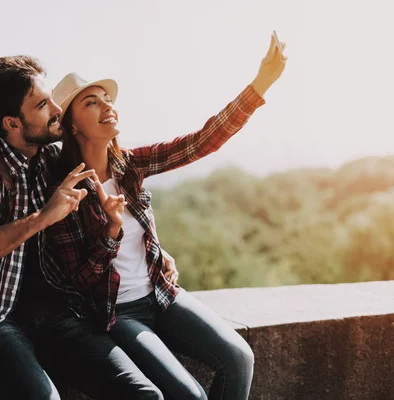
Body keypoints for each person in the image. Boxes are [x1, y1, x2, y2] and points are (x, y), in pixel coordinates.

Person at [45, 33, 287, 400]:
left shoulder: (130, 166)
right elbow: (80, 280)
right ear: (72, 125)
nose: (107, 106)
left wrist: (260, 84)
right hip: (119, 315)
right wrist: (111, 232)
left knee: (238, 358)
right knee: (190, 396)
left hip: (162, 295)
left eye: (108, 99)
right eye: (92, 103)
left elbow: (201, 141)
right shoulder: (66, 191)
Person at [0, 55, 168, 399]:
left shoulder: (51, 158)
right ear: (12, 123)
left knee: (145, 395)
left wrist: (158, 253)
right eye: (42, 104)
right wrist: (42, 217)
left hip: (58, 314)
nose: (57, 109)